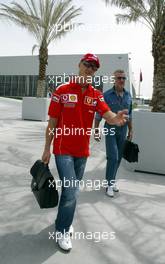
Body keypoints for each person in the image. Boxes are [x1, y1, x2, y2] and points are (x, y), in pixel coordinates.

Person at [41, 55, 128, 251]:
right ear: (79, 65)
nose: (90, 69)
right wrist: (47, 148)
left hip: (82, 152)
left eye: (94, 67)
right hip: (63, 150)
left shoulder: (96, 95)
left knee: (71, 191)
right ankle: (62, 230)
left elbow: (108, 115)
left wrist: (117, 119)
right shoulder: (62, 91)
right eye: (87, 64)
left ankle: (63, 220)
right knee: (72, 190)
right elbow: (52, 123)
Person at [94, 69, 133, 198]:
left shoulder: (128, 96)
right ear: (114, 80)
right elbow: (99, 114)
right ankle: (109, 185)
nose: (121, 80)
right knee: (113, 156)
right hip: (110, 128)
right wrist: (96, 130)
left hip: (123, 130)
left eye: (123, 78)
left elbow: (130, 115)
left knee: (119, 157)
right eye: (119, 78)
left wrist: (131, 130)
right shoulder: (106, 95)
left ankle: (111, 180)